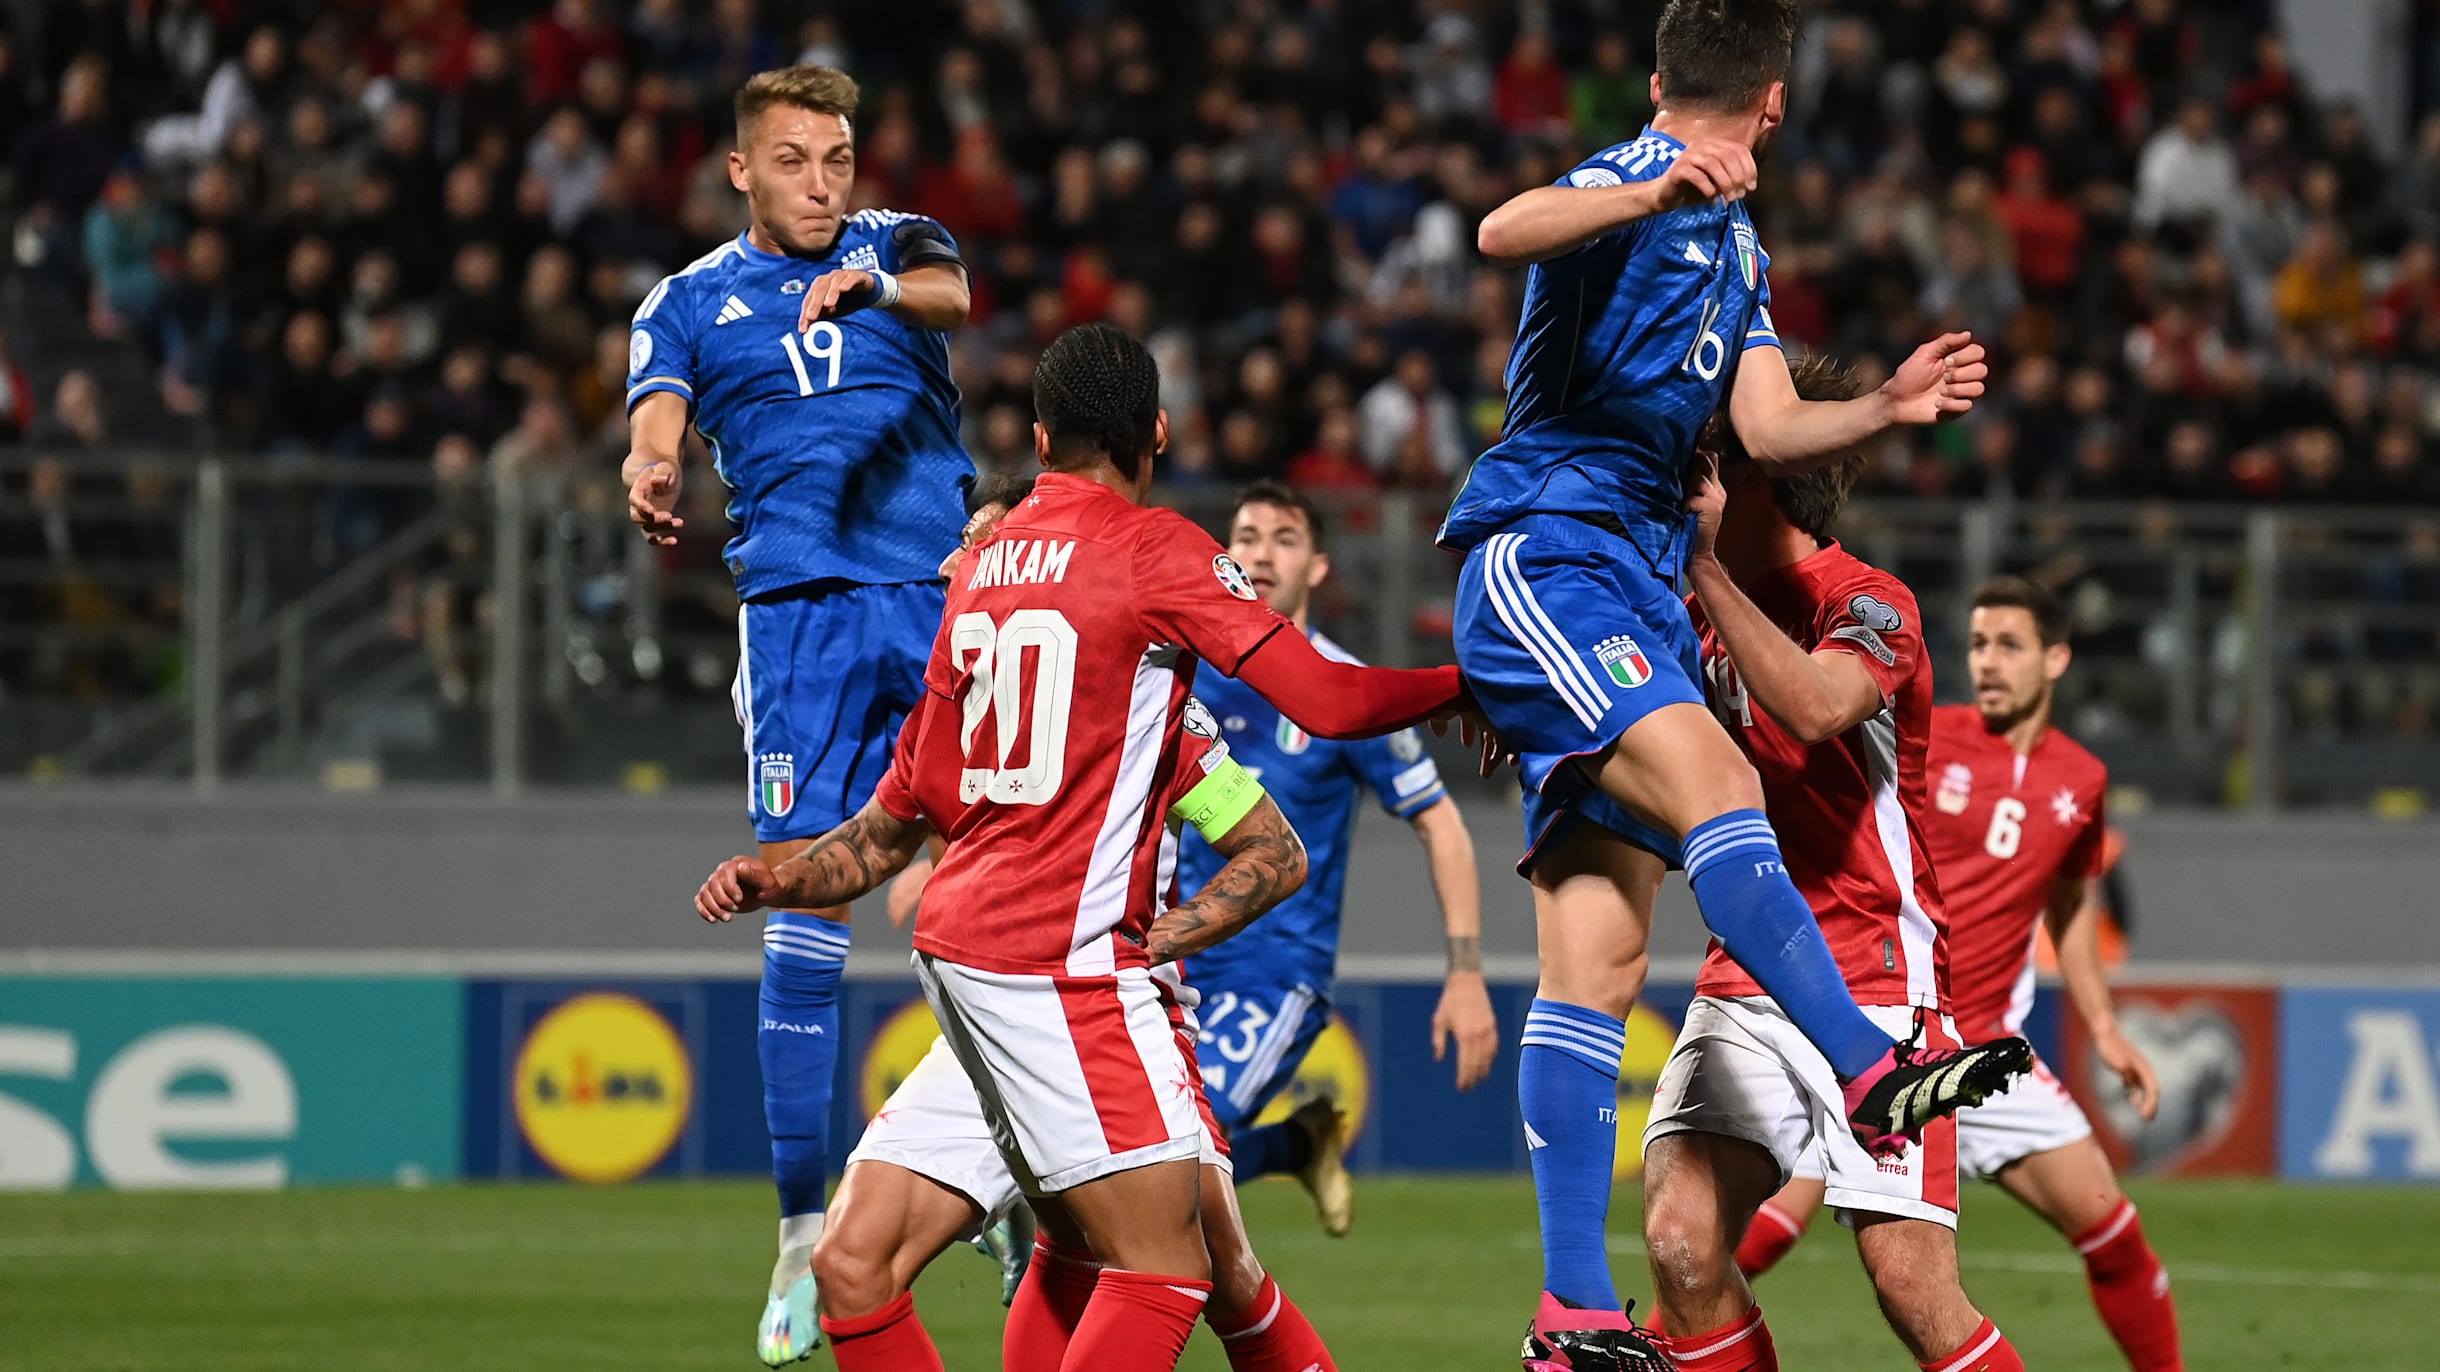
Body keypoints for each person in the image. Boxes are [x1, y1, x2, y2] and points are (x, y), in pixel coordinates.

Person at [703, 323, 1471, 1372]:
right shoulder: (1155, 561)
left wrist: (780, 875)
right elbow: (1327, 713)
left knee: (870, 1261)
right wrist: (1474, 682)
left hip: (962, 960)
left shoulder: (974, 577)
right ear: (1157, 431)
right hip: (1068, 974)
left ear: (1038, 433)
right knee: (1176, 1263)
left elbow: (896, 818)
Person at [1443, 0, 2022, 1356]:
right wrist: (1647, 179)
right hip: (1555, 550)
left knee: (1600, 957)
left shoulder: (1738, 250)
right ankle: (1873, 1070)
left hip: (1627, 588)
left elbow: (1764, 423)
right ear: (1774, 103)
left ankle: (1570, 1306)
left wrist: (1883, 405)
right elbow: (1499, 231)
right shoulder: (1629, 182)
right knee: (1716, 777)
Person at [619, 63, 975, 1366]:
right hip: (804, 625)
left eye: (836, 158)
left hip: (944, 599)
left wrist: (875, 284)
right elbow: (654, 412)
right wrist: (652, 466)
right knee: (806, 911)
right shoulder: (690, 300)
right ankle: (798, 1238)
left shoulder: (897, 248)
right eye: (793, 161)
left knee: (1007, 881)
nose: (821, 183)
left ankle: (996, 1170)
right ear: (740, 170)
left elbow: (954, 294)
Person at [1635, 356, 2029, 1372]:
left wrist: (1707, 571)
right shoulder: (1691, 622)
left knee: (1911, 1289)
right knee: (1681, 1243)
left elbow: (1813, 706)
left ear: (1767, 472)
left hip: (1879, 976)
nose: (1692, 474)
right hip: (1748, 972)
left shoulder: (1871, 601)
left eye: (1714, 457)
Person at [1735, 576, 2182, 1372]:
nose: (1988, 662)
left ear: (2057, 659)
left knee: (2117, 1235)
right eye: (1977, 644)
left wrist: (2105, 1027)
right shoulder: (1920, 736)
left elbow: (2072, 904)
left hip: (1988, 1060)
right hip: (1885, 1040)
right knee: (1749, 1242)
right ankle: (1678, 1344)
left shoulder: (2081, 781)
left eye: (2009, 645)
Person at [1184, 480, 1499, 1233]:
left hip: (1273, 977)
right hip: (1168, 962)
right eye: (1248, 535)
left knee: (1171, 1160)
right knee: (1133, 1160)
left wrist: (1465, 971)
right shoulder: (1183, 672)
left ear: (1317, 568)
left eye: (1284, 539)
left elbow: (1441, 822)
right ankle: (1297, 1143)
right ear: (1223, 556)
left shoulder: (1341, 691)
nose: (1262, 552)